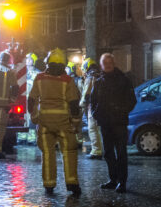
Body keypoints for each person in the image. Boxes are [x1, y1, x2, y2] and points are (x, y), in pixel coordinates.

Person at [28, 48, 82, 196]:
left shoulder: (39, 78)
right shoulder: (67, 80)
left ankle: (49, 185)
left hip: (45, 123)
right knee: (69, 152)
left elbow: (31, 100)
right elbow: (74, 104)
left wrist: (34, 117)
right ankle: (72, 183)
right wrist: (76, 123)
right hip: (64, 123)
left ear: (48, 63)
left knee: (48, 154)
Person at [90, 53, 137, 193]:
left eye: (110, 62)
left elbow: (132, 100)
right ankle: (113, 179)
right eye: (105, 63)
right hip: (105, 122)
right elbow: (93, 101)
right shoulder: (99, 82)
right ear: (102, 65)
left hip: (119, 122)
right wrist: (96, 114)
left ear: (113, 63)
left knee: (121, 153)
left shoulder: (123, 80)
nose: (108, 65)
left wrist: (121, 111)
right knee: (108, 153)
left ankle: (122, 182)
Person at [79, 57, 103, 160]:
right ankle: (103, 149)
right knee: (100, 130)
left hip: (92, 107)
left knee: (92, 129)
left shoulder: (90, 77)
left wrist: (81, 105)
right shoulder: (100, 75)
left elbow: (86, 94)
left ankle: (96, 151)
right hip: (103, 106)